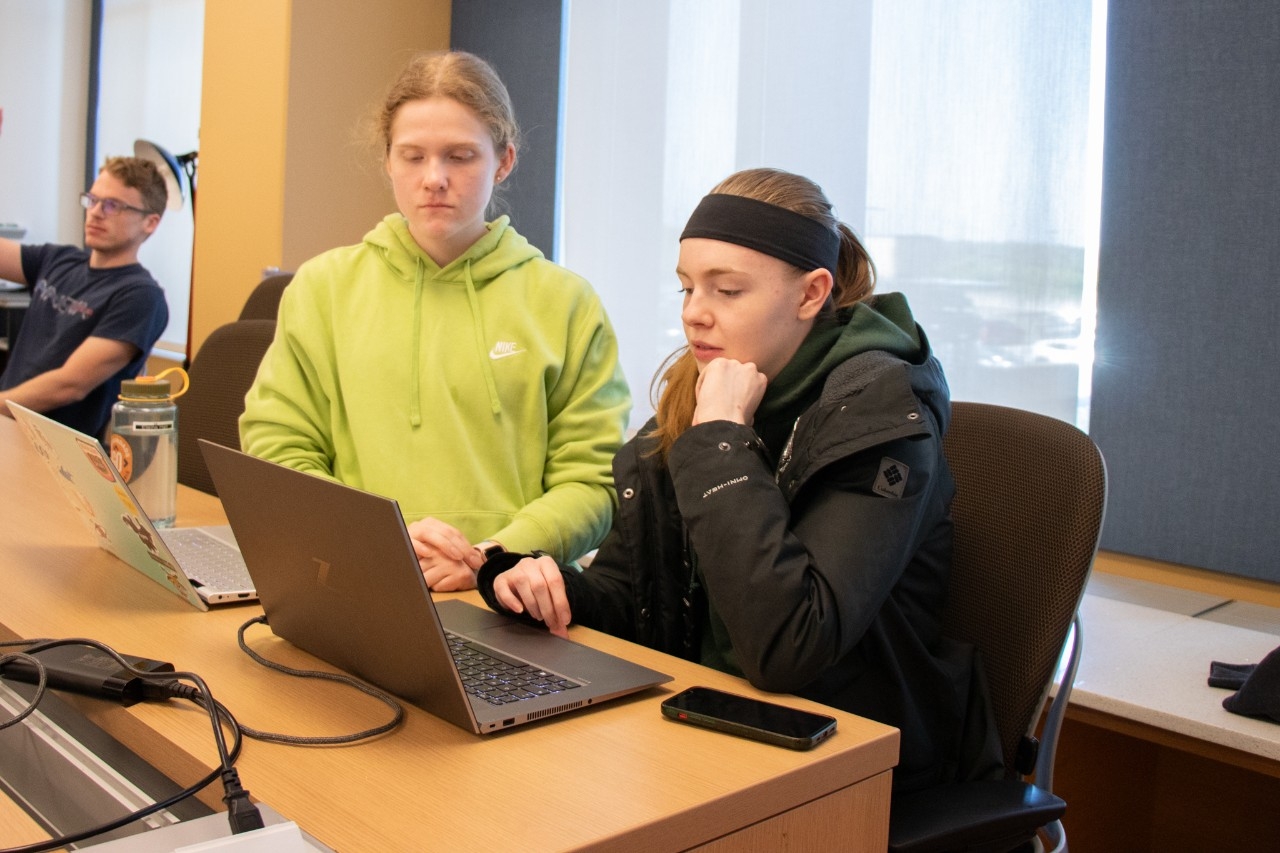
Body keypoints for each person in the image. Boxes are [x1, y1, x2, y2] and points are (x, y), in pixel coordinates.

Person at [478, 167, 1003, 792]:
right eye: (686, 289)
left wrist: (720, 442)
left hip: (849, 760)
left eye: (726, 291)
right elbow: (634, 594)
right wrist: (543, 585)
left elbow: (788, 647)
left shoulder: (880, 419)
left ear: (811, 295)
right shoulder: (699, 391)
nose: (694, 316)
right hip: (700, 726)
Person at [240, 51, 631, 593]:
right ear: (388, 161)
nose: (434, 178)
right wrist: (382, 540)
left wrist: (492, 557)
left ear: (504, 161)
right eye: (413, 156)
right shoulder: (323, 287)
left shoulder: (566, 302)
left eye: (460, 156)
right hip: (357, 578)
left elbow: (594, 481)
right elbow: (278, 447)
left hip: (511, 595)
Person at [1, 156, 170, 438]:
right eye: (92, 200)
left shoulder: (141, 297)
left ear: (150, 222)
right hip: (9, 426)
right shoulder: (58, 260)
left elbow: (69, 385)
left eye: (113, 205)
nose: (96, 213)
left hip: (56, 452)